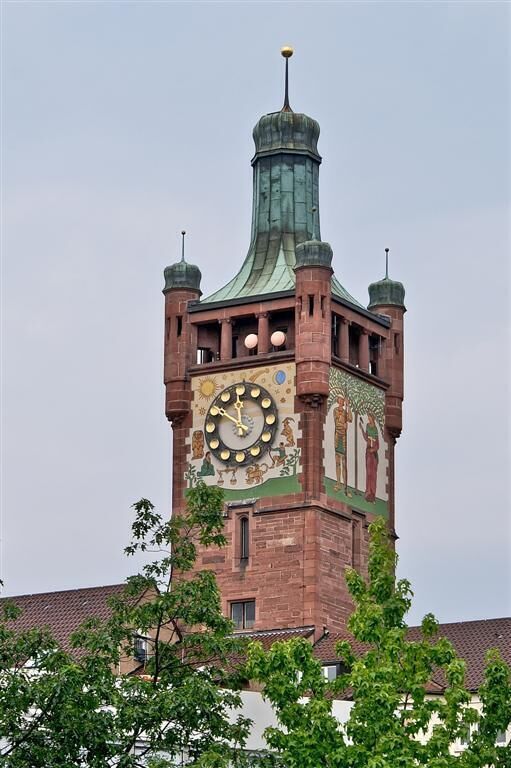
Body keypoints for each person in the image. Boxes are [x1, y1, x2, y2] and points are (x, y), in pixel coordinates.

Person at [333, 396, 352, 492]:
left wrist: (348, 407)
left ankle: (345, 485)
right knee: (337, 462)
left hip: (343, 438)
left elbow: (350, 419)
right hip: (338, 436)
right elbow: (338, 422)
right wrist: (344, 424)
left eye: (342, 400)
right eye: (340, 400)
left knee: (344, 463)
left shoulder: (345, 412)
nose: (341, 401)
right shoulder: (336, 410)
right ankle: (338, 483)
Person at [359, 413, 379, 502]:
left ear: (373, 418)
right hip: (368, 451)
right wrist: (362, 429)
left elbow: (377, 444)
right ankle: (368, 492)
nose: (369, 419)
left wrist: (374, 449)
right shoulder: (367, 426)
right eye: (368, 417)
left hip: (373, 453)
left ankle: (373, 493)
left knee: (373, 474)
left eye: (370, 417)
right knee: (368, 473)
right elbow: (366, 438)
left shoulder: (375, 429)